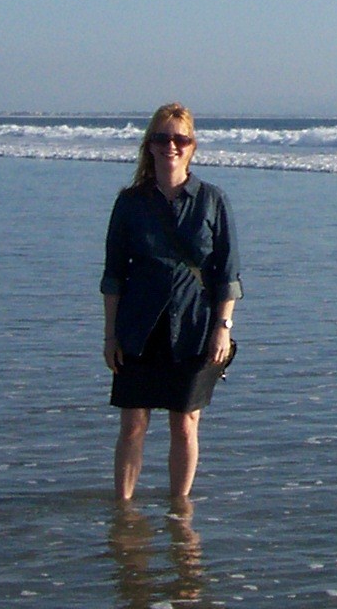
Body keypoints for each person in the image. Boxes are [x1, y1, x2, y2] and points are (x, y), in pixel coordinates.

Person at [102, 103, 242, 501]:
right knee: (133, 424)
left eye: (180, 138)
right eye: (162, 138)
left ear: (192, 146)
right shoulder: (130, 203)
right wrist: (110, 336)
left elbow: (228, 274)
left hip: (195, 327)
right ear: (149, 146)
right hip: (138, 326)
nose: (171, 146)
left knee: (185, 424)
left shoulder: (212, 200)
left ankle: (179, 508)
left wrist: (223, 329)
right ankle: (124, 509)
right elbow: (113, 276)